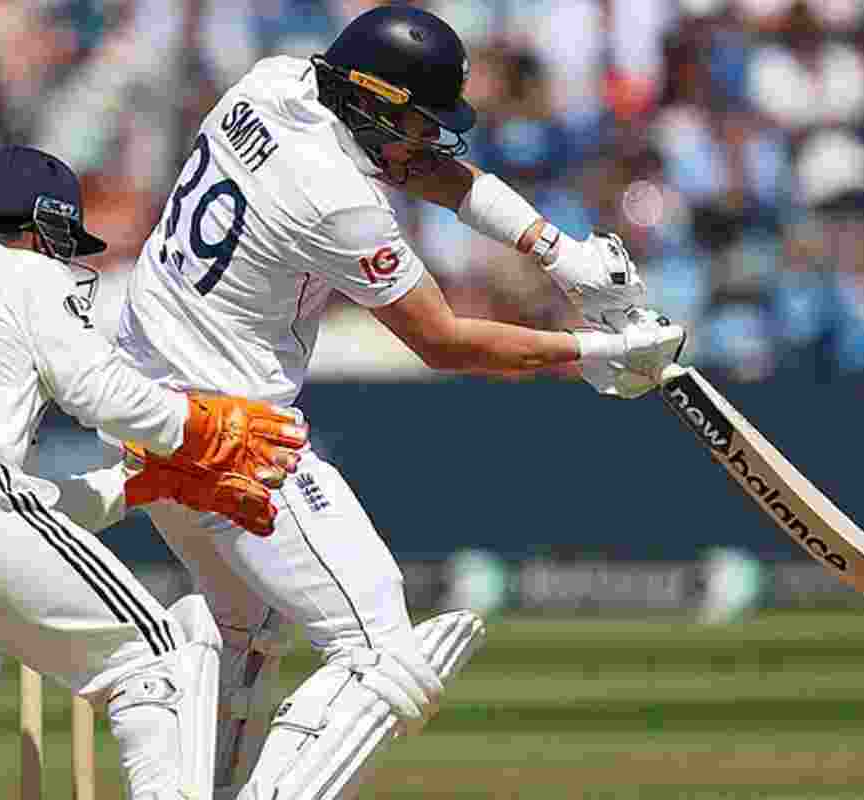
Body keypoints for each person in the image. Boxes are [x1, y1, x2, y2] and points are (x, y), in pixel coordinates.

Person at [99, 6, 686, 799]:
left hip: (145, 407)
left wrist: (562, 255)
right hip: (231, 432)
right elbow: (442, 341)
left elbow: (420, 168)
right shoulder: (336, 202)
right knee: (380, 650)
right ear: (371, 102)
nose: (429, 139)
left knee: (247, 632)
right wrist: (594, 353)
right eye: (417, 120)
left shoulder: (273, 83)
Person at [0, 144, 308, 800]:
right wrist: (205, 429)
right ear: (38, 224)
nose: (67, 256)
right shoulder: (25, 274)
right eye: (64, 237)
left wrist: (138, 484)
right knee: (159, 657)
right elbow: (99, 394)